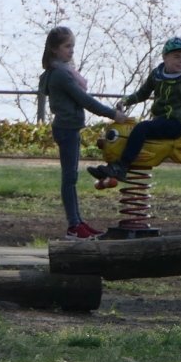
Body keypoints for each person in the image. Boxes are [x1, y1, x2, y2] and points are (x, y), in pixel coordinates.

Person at [37, 26, 129, 240]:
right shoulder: (60, 74)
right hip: (66, 129)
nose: (71, 51)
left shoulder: (60, 71)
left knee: (72, 178)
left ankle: (78, 222)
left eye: (72, 46)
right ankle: (73, 226)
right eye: (67, 46)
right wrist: (113, 115)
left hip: (69, 128)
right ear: (54, 49)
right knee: (69, 179)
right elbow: (85, 100)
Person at [87, 37, 181, 184]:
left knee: (142, 128)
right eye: (177, 57)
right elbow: (143, 93)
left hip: (176, 123)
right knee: (130, 131)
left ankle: (121, 167)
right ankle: (112, 168)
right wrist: (126, 101)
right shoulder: (157, 74)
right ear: (165, 57)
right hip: (160, 121)